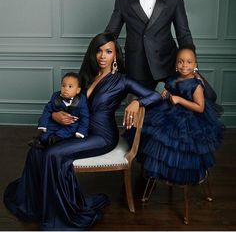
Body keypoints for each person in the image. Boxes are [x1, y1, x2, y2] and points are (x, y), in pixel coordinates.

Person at [4, 32, 162, 230]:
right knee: (37, 149)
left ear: (115, 56)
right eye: (99, 51)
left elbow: (156, 97)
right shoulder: (87, 76)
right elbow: (66, 103)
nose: (102, 56)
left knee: (53, 154)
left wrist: (137, 102)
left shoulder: (122, 80)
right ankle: (39, 205)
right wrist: (55, 116)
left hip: (102, 137)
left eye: (108, 51)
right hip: (79, 131)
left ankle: (59, 213)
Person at [105, 0, 195, 90]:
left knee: (168, 110)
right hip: (135, 67)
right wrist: (100, 58)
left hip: (167, 64)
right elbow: (111, 32)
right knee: (136, 109)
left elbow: (183, 33)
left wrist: (192, 66)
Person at [138, 46, 224, 186]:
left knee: (180, 147)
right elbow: (169, 88)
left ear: (195, 65)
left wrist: (180, 100)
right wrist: (165, 93)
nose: (184, 65)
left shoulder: (196, 85)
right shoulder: (174, 77)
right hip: (168, 112)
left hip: (188, 119)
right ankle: (161, 172)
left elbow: (200, 107)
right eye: (181, 61)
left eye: (189, 62)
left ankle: (178, 174)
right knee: (158, 138)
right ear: (176, 64)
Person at [28, 72, 89, 148]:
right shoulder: (55, 97)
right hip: (56, 123)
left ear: (78, 90)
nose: (66, 89)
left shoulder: (81, 101)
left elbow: (85, 118)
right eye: (63, 86)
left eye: (70, 86)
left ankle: (54, 139)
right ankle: (41, 140)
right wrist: (43, 124)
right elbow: (47, 110)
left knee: (68, 130)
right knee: (47, 130)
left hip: (71, 125)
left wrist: (81, 132)